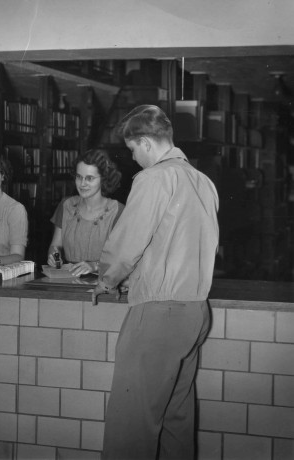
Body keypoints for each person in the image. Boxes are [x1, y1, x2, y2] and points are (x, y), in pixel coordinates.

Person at [92, 105, 219, 460]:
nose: (133, 157)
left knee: (129, 429)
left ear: (145, 143)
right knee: (176, 421)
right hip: (195, 311)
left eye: (133, 149)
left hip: (158, 314)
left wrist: (107, 278)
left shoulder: (154, 178)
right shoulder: (202, 181)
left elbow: (128, 240)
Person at [46, 149, 124, 276]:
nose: (82, 184)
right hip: (68, 279)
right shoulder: (66, 205)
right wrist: (54, 256)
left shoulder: (118, 211)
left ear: (103, 179)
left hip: (104, 282)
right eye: (79, 177)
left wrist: (95, 265)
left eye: (89, 178)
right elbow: (55, 246)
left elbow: (123, 257)